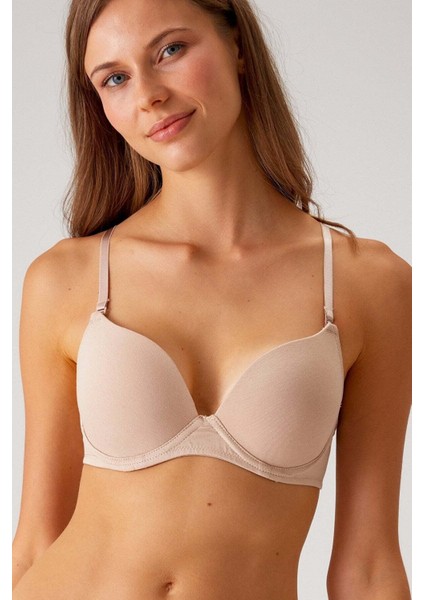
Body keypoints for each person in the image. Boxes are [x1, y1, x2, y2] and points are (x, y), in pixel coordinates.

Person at [12, 0, 411, 598]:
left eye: (170, 50)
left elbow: (369, 564)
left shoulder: (368, 283)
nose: (149, 95)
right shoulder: (67, 278)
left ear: (238, 46)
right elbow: (37, 540)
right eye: (115, 79)